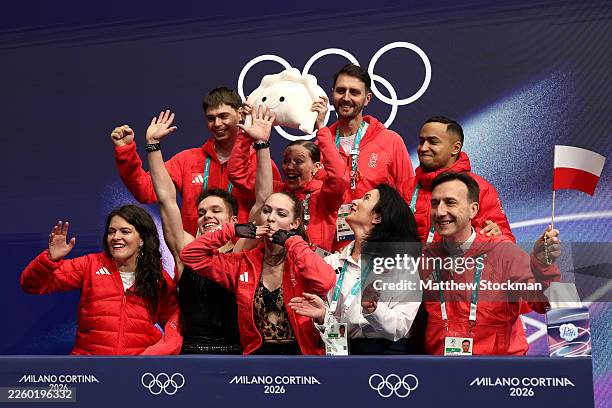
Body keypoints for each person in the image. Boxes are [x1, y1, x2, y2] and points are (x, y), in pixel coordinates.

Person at [179, 108, 337, 355]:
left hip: (303, 357)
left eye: (281, 215)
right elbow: (191, 257)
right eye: (267, 211)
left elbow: (326, 281)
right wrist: (232, 231)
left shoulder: (303, 257)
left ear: (295, 223)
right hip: (256, 358)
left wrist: (294, 243)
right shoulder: (243, 263)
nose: (271, 218)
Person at [420, 172, 560, 355]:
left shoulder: (504, 253)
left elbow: (546, 304)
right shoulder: (426, 258)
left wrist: (543, 266)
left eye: (450, 202)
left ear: (473, 210)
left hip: (496, 374)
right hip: (444, 371)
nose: (440, 212)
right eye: (435, 203)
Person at [111, 87, 281, 236]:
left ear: (240, 114)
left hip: (242, 257)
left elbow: (272, 211)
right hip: (196, 257)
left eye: (223, 116)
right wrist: (126, 152)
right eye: (211, 118)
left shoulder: (262, 163)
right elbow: (146, 190)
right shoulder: (187, 160)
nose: (217, 124)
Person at [20, 205, 181, 355]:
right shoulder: (90, 264)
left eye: (125, 231)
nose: (116, 237)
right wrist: (50, 259)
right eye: (111, 232)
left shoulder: (157, 277)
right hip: (88, 370)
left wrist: (156, 353)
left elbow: (176, 323)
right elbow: (31, 285)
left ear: (142, 239)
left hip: (135, 371)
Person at [145, 110, 241, 354]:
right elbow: (166, 199)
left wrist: (262, 145)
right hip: (191, 354)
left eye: (215, 210)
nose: (207, 215)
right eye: (201, 212)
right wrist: (153, 146)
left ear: (233, 220)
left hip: (237, 353)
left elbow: (262, 201)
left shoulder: (241, 252)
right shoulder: (185, 250)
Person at [289, 184, 422, 354]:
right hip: (341, 353)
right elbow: (333, 328)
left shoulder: (402, 267)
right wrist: (323, 315)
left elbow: (401, 327)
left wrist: (374, 309)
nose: (355, 201)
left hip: (387, 358)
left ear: (377, 217)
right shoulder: (331, 262)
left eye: (366, 198)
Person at [228, 97, 349, 251]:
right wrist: (246, 134)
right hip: (276, 269)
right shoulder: (274, 192)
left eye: (298, 161)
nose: (290, 166)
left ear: (317, 166)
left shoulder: (324, 197)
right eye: (286, 161)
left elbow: (339, 178)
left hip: (312, 270)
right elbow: (237, 174)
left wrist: (321, 127)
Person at [319, 64, 415, 250]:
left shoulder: (390, 141)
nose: (346, 98)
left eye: (354, 92)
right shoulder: (321, 144)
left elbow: (407, 198)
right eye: (340, 91)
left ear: (367, 98)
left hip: (378, 249)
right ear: (332, 94)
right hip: (331, 254)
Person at [410, 116, 514, 244]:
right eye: (421, 141)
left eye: (433, 142)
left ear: (455, 148)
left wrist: (497, 234)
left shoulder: (481, 188)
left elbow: (506, 243)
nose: (423, 148)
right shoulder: (405, 186)